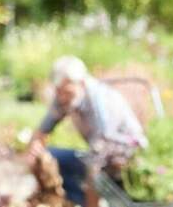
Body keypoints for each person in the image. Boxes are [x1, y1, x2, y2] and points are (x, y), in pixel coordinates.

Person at [28, 56, 148, 207]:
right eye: (58, 91)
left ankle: (90, 203)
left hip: (123, 155)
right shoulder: (64, 97)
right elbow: (42, 130)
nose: (61, 97)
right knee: (47, 155)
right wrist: (34, 151)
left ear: (82, 83)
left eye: (66, 92)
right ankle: (71, 199)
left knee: (92, 171)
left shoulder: (101, 100)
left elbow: (103, 148)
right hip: (96, 152)